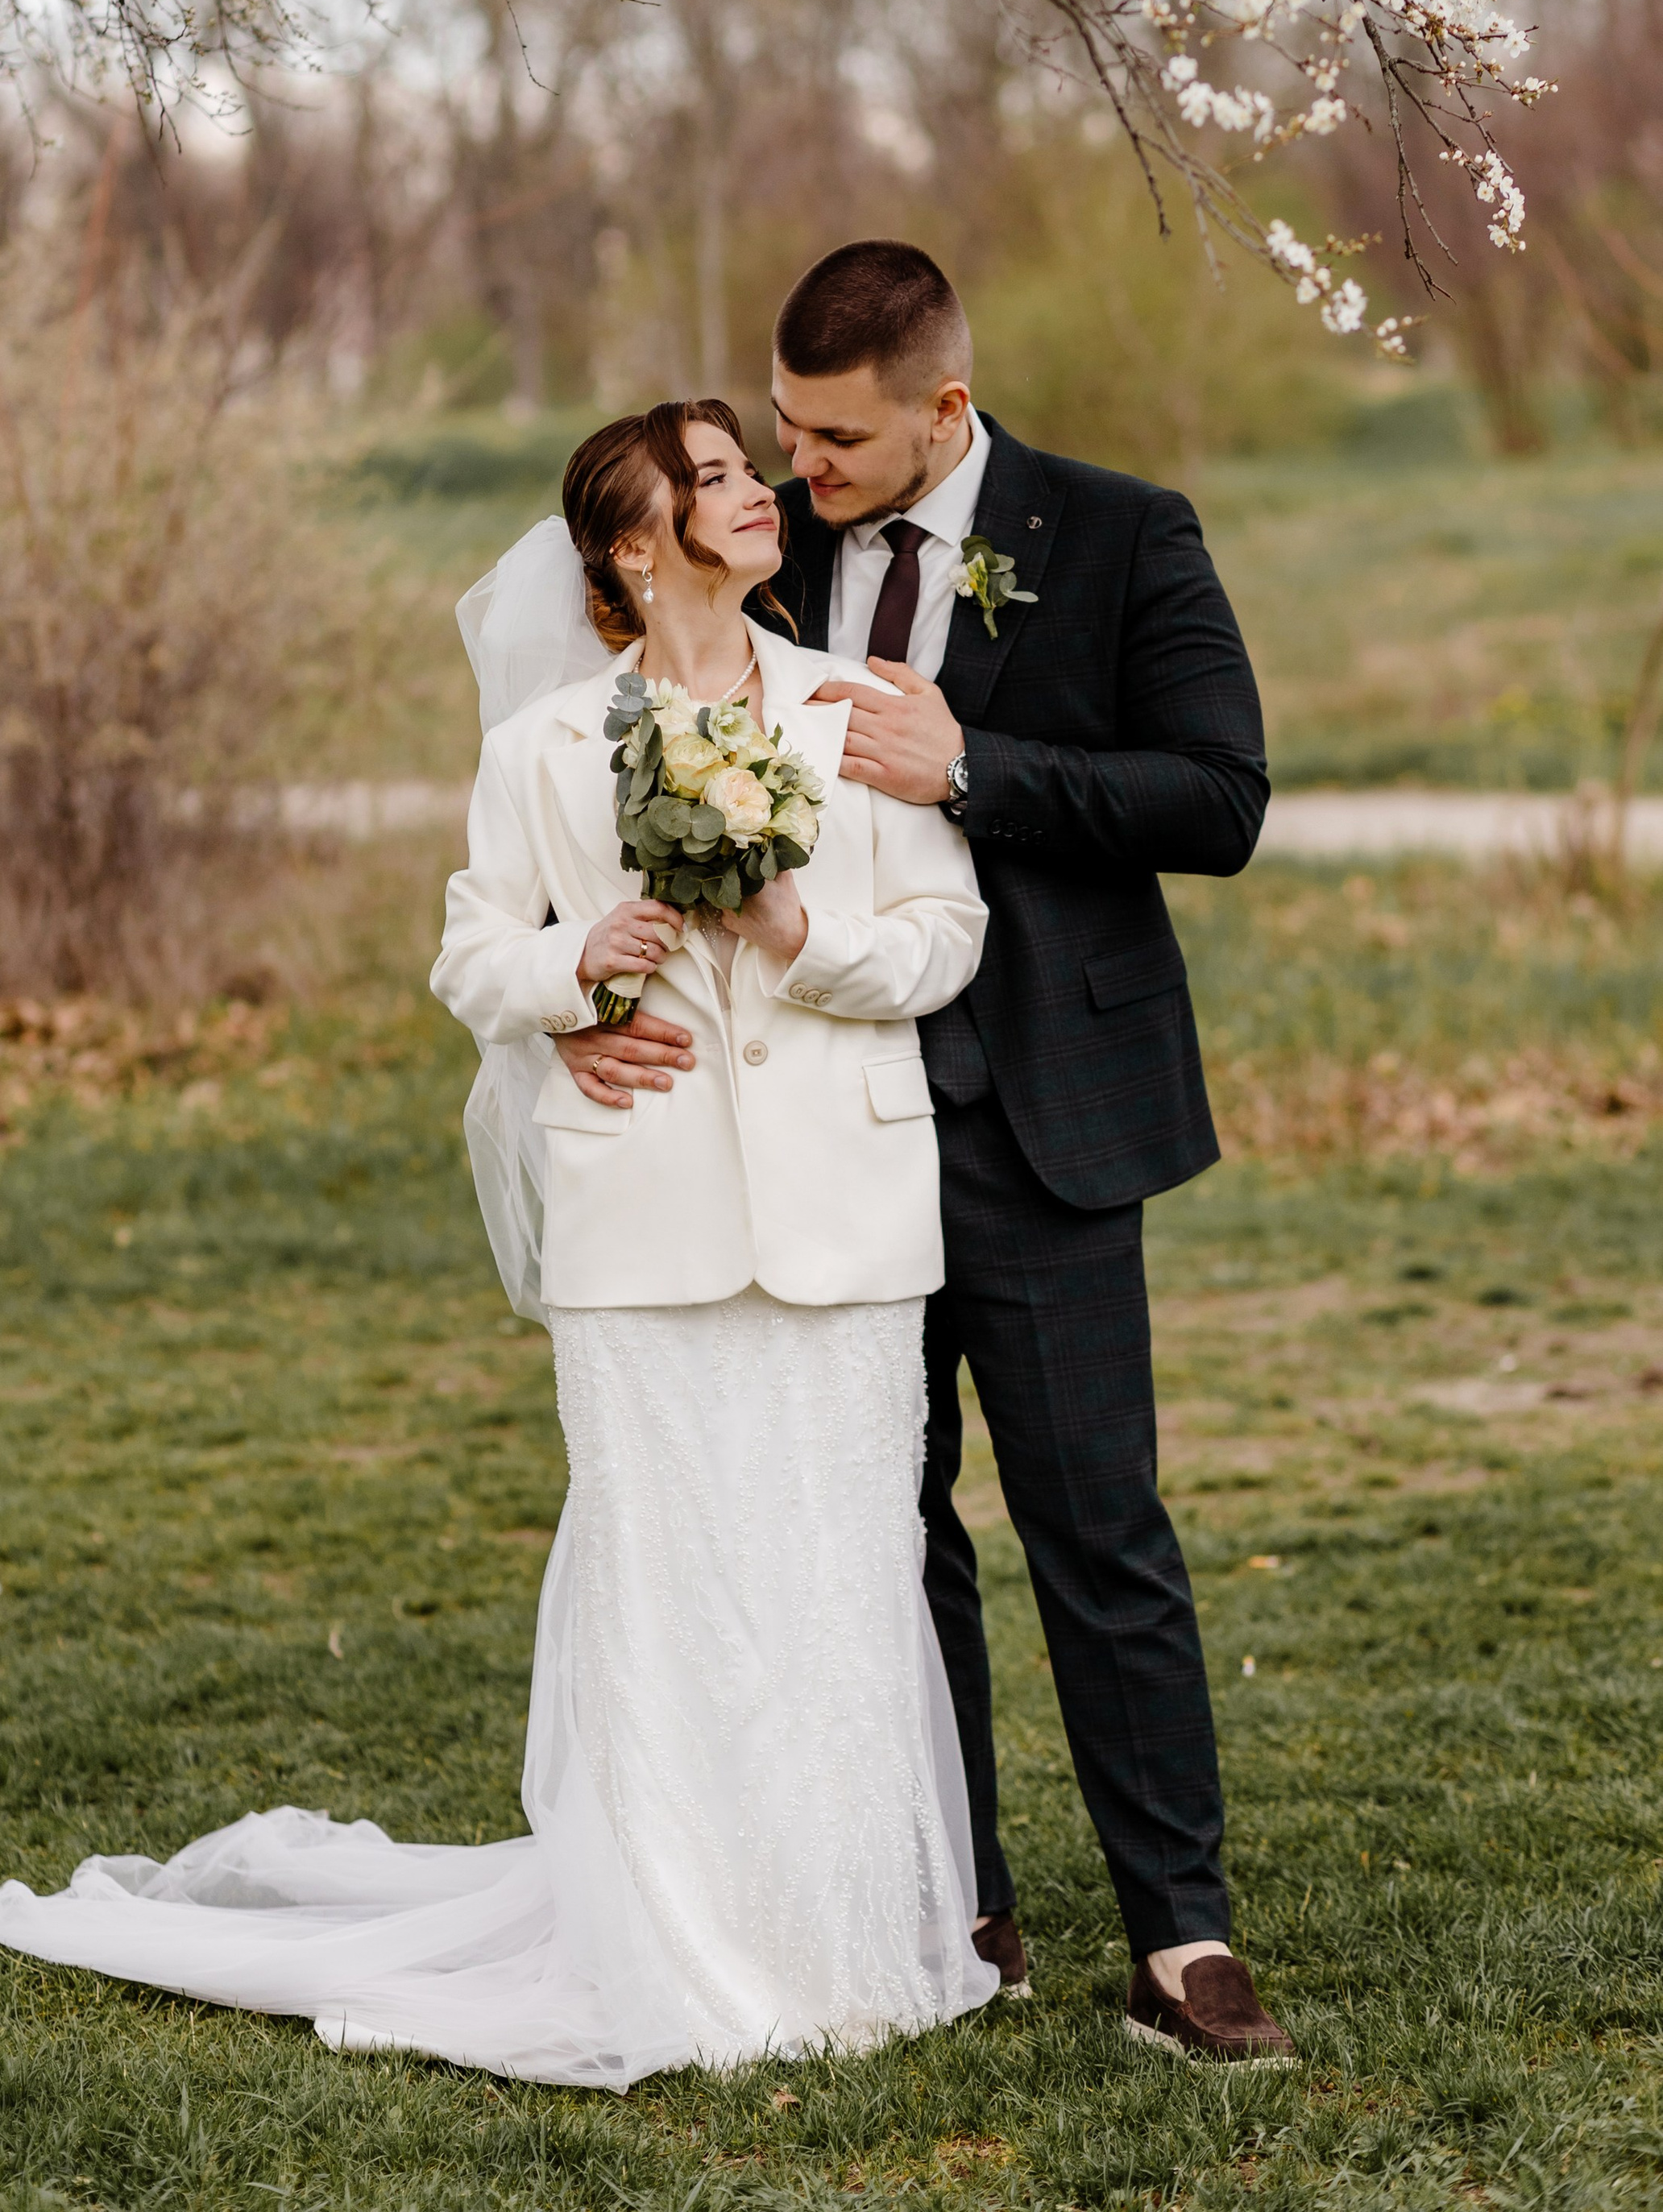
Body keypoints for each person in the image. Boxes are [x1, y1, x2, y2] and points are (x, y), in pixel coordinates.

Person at [0, 396, 1000, 2086]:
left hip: (843, 1212)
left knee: (833, 1577)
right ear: (628, 541)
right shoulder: (540, 747)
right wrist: (571, 976)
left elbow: (944, 934)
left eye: (752, 472)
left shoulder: (855, 710)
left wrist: (805, 935)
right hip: (638, 1209)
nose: (757, 496)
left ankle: (841, 1944)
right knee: (664, 1585)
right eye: (718, 478)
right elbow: (470, 958)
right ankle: (678, 1953)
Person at [548, 246, 1292, 2065]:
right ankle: (947, 1898)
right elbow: (623, 786)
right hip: (813, 1129)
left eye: (837, 437)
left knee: (1090, 1528)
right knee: (879, 1532)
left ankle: (1178, 1938)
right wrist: (581, 985)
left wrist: (975, 766)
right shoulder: (762, 559)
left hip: (1038, 1120)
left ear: (943, 411)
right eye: (782, 433)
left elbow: (1218, 799)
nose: (798, 467)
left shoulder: (1117, 533)